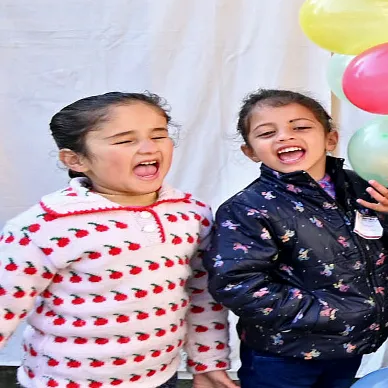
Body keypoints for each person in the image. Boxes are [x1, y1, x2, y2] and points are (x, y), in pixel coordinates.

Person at [0, 92, 234, 388]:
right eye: (125, 140)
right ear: (76, 159)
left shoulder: (191, 213)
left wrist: (208, 363)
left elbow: (203, 293)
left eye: (159, 135)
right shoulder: (46, 225)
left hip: (161, 377)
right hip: (64, 381)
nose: (149, 148)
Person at [208, 90, 388, 388]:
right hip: (283, 355)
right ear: (250, 151)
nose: (284, 137)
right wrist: (326, 314)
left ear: (330, 139)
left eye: (300, 127)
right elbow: (237, 284)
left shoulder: (362, 187)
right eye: (267, 132)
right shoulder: (248, 208)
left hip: (350, 345)